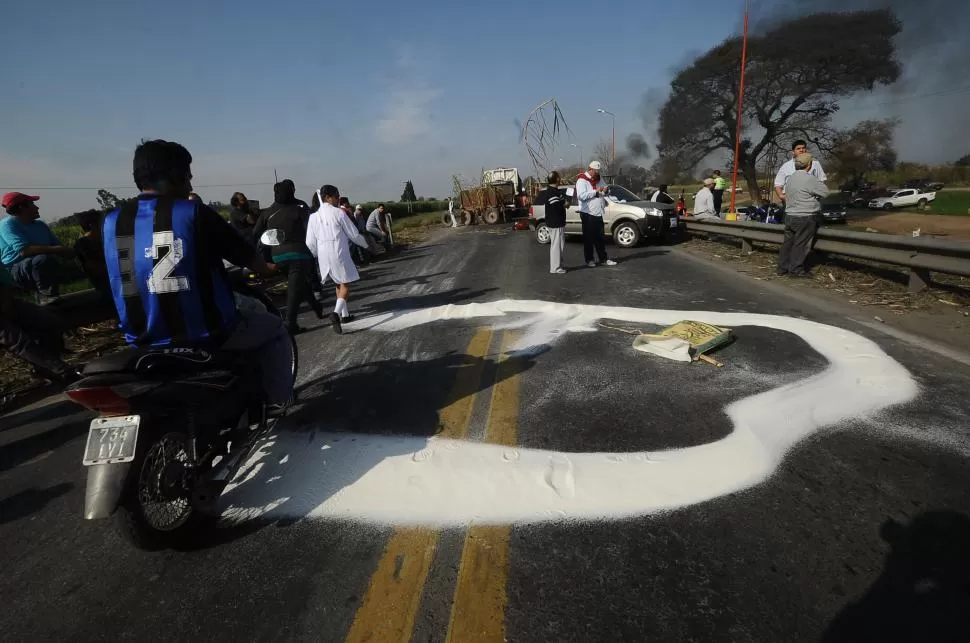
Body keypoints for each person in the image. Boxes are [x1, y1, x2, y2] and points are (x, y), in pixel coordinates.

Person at [103, 139, 292, 408]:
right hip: (205, 334)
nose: (190, 185)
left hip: (141, 339)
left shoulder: (112, 221)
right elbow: (254, 262)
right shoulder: (194, 212)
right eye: (188, 176)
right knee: (274, 330)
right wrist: (272, 268)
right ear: (174, 175)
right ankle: (279, 402)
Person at [252, 180, 324, 334]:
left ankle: (317, 308)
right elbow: (310, 228)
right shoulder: (300, 206)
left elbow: (256, 233)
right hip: (299, 253)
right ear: (292, 190)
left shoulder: (267, 212)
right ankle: (290, 324)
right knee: (294, 288)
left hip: (277, 256)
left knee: (299, 283)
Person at [0, 262, 80, 386]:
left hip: (6, 301)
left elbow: (5, 283)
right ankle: (61, 370)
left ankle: (45, 370)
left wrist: (7, 300)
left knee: (47, 321)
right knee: (15, 338)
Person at [305, 185, 370, 335]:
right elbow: (353, 234)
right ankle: (335, 313)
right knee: (345, 284)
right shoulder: (338, 213)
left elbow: (309, 242)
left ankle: (345, 315)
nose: (338, 199)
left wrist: (316, 254)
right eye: (336, 196)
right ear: (328, 197)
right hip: (338, 252)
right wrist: (365, 245)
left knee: (337, 282)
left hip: (323, 255)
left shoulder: (313, 217)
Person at [0, 193, 73, 303]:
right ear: (21, 207)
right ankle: (45, 295)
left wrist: (71, 251)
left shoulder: (40, 225)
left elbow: (58, 247)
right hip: (16, 269)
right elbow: (25, 251)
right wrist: (60, 249)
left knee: (48, 260)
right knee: (42, 259)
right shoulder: (8, 224)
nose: (37, 207)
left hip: (41, 266)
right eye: (32, 204)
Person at [777, 153, 828, 277]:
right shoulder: (809, 179)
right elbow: (825, 192)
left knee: (788, 244)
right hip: (804, 215)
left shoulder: (791, 179)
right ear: (809, 165)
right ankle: (796, 270)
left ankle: (782, 267)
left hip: (789, 215)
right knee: (801, 244)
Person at [575, 161, 616, 268]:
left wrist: (606, 190)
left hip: (598, 212)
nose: (596, 173)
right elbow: (581, 196)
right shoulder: (582, 180)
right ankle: (589, 259)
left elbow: (605, 189)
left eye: (598, 171)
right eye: (595, 171)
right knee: (588, 238)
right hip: (587, 213)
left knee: (600, 238)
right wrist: (595, 192)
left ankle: (603, 258)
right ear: (590, 169)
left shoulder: (599, 178)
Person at [73, 209, 112, 304]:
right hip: (105, 284)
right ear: (92, 225)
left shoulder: (103, 240)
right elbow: (95, 269)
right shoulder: (83, 244)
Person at [534, 171, 568, 274]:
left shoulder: (555, 191)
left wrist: (565, 203)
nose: (560, 179)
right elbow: (556, 206)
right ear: (557, 179)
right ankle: (555, 268)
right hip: (555, 222)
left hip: (558, 222)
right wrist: (564, 204)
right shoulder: (551, 192)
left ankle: (559, 265)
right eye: (559, 177)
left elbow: (561, 202)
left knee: (560, 244)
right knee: (556, 245)